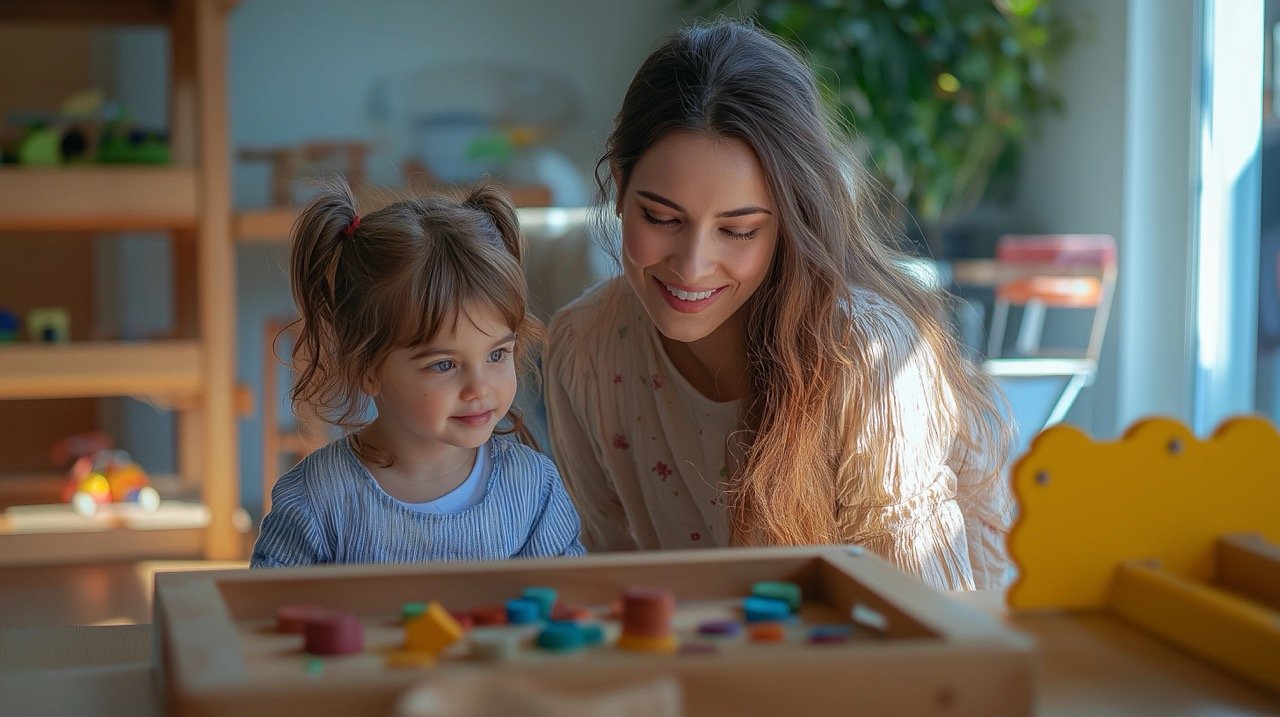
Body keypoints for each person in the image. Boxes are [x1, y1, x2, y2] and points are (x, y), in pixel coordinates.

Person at [545, 20, 1013, 590]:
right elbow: (606, 582)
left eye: (738, 230)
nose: (692, 265)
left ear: (790, 222)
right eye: (661, 219)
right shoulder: (584, 348)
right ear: (619, 188)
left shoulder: (865, 359)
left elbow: (924, 624)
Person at [252, 180, 584, 567]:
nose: (479, 388)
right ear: (367, 368)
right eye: (444, 365)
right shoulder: (317, 499)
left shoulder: (533, 490)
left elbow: (566, 606)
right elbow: (268, 615)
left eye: (497, 354)